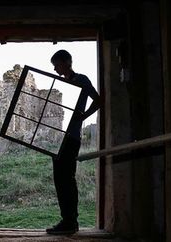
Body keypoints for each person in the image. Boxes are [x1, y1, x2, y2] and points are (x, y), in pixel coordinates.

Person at [46, 49, 100, 235]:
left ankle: (70, 222)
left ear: (66, 62)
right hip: (59, 139)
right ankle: (67, 220)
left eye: (56, 65)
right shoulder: (61, 83)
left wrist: (84, 115)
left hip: (72, 138)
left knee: (67, 179)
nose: (54, 69)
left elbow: (98, 100)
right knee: (60, 179)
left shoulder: (81, 80)